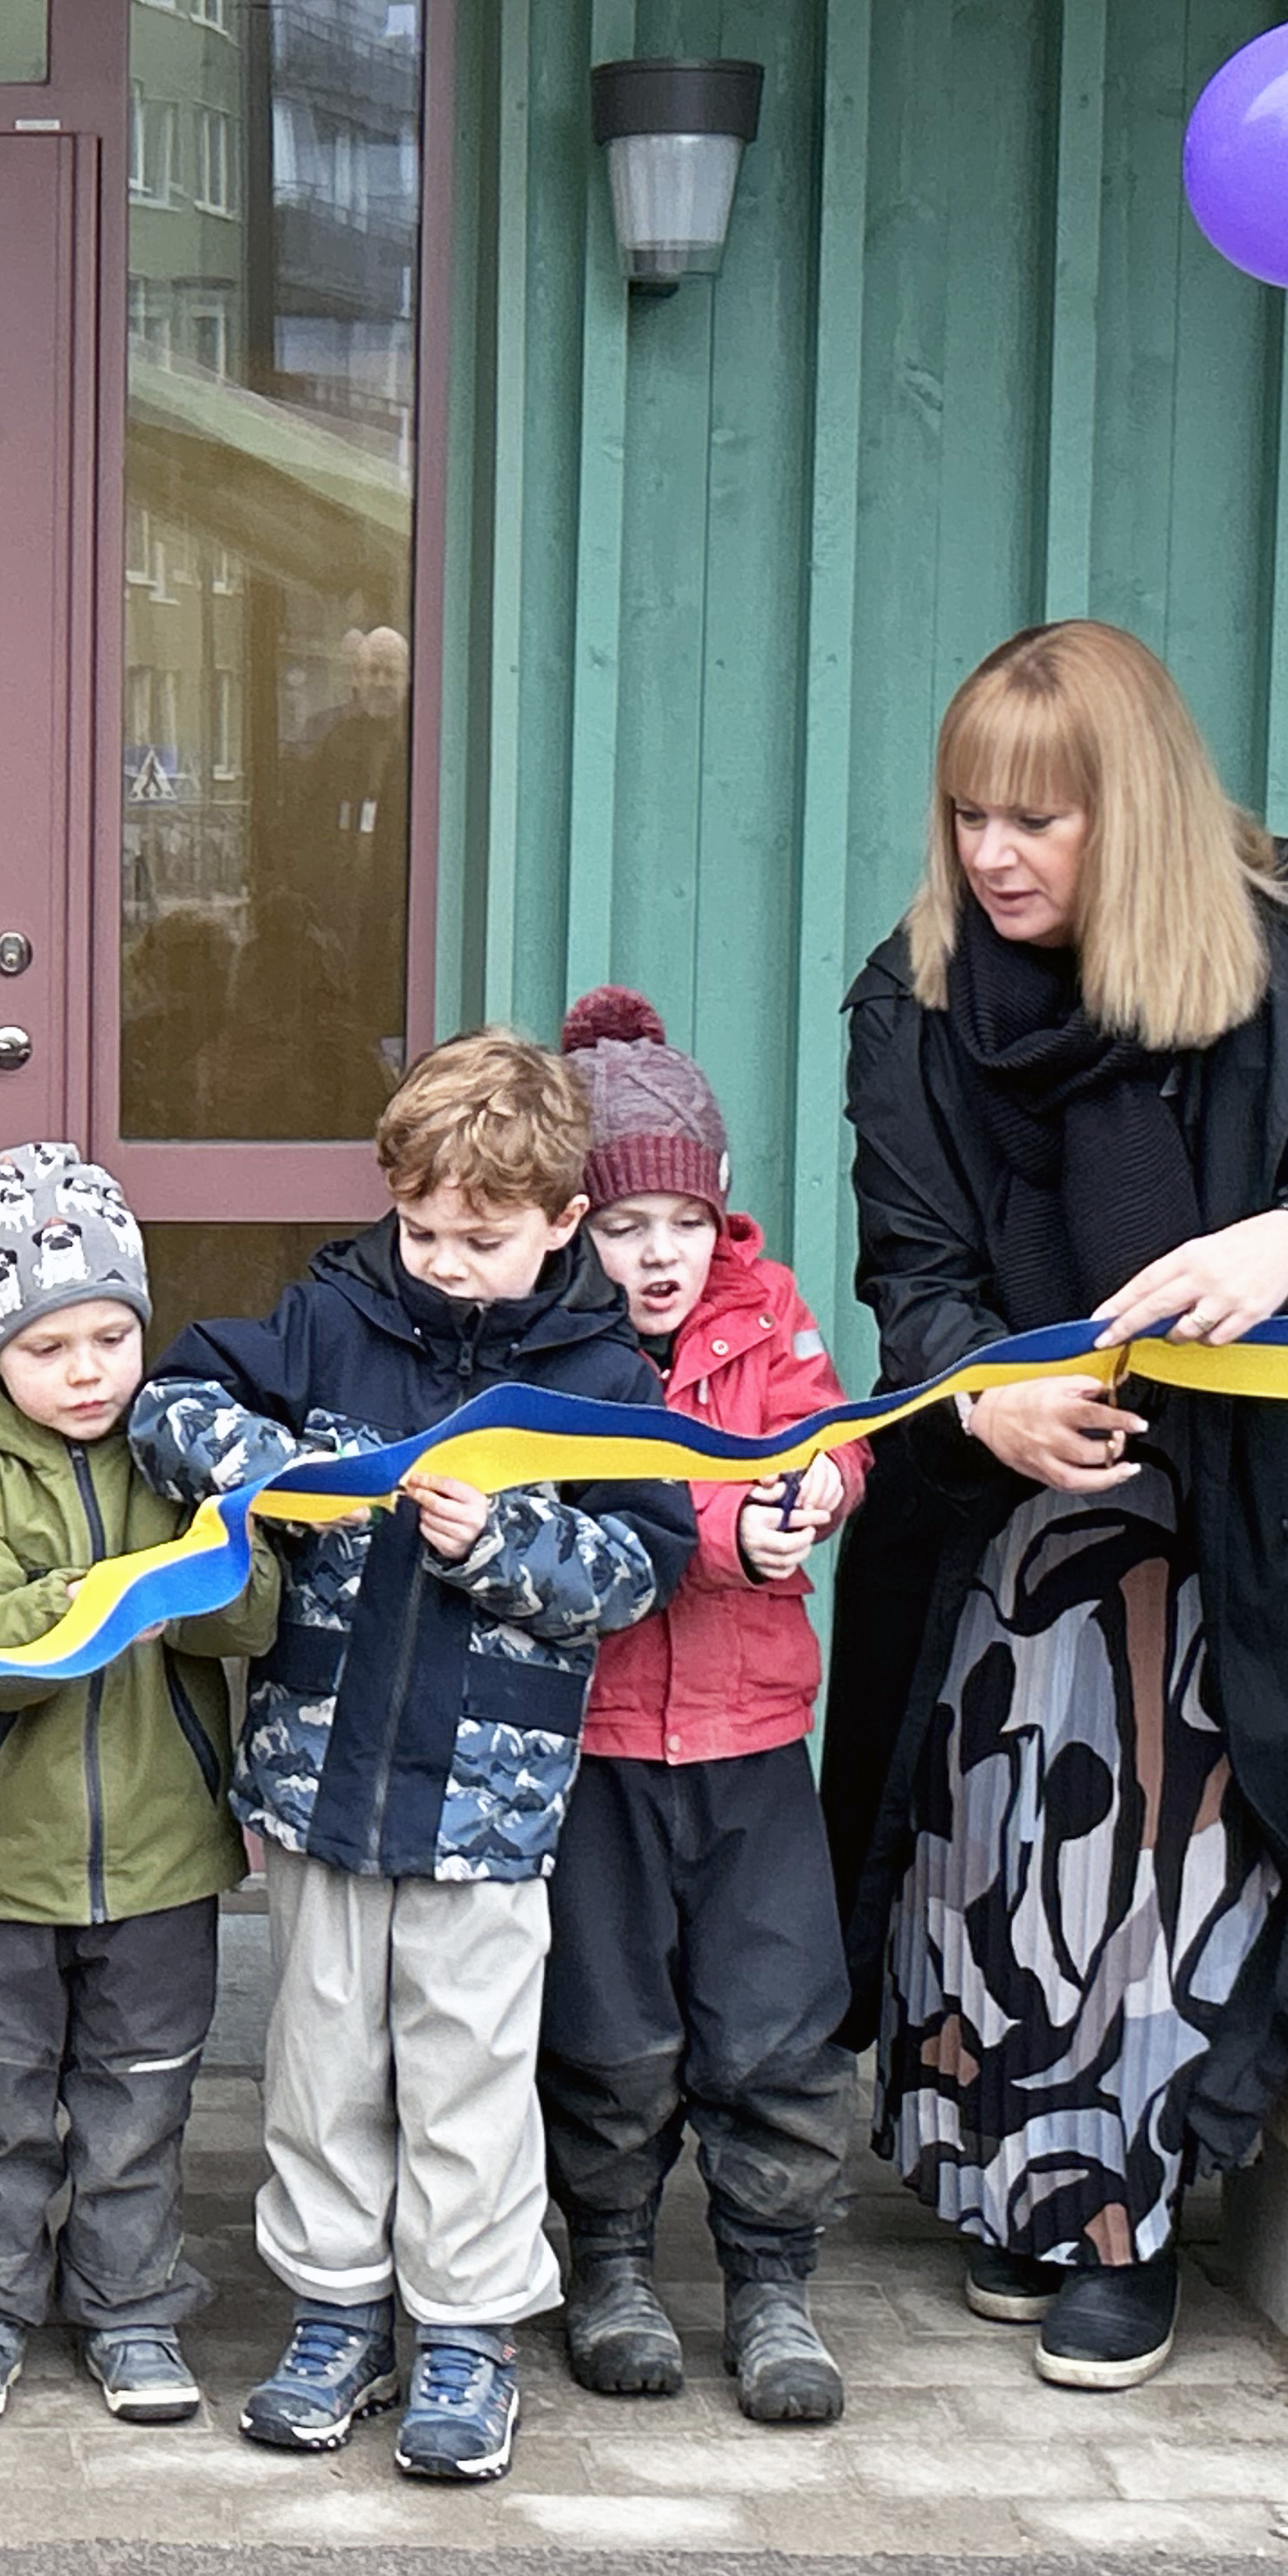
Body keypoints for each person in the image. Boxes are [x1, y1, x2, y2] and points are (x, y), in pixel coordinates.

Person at [825, 619, 1288, 2391]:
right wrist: (989, 1401)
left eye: (1037, 822)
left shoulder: (1281, 940)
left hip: (1247, 1501)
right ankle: (1019, 2177)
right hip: (1008, 1482)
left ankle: (1125, 2218)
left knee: (1156, 1829)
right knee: (1004, 1822)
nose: (993, 858)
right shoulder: (912, 993)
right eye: (969, 819)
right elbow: (914, 1275)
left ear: (1129, 811)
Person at [130, 1031, 699, 2486]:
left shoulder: (602, 1378)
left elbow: (643, 1563)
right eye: (424, 1227)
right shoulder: (331, 1315)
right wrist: (250, 1463)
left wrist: (504, 1542)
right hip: (321, 1787)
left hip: (487, 1814)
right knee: (323, 2063)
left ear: (564, 1224)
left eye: (483, 1238)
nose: (445, 1260)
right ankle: (332, 2316)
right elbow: (176, 1399)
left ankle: (465, 2333)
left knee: (466, 2072)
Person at [0, 1144, 283, 2428]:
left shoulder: (177, 1465)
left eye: (110, 1337)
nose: (85, 1372)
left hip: (167, 1852)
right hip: (4, 1861)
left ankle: (129, 2304)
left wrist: (208, 1581)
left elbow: (257, 1610)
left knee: (142, 2089)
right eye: (48, 1345)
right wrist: (94, 1601)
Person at [541, 988, 871, 2427]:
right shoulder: (558, 1348)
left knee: (775, 2021)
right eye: (622, 1228)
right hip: (604, 1741)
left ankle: (771, 2278)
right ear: (577, 1227)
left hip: (750, 1740)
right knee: (611, 2024)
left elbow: (831, 1439)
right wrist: (736, 1529)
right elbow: (609, 1501)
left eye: (677, 1223)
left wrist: (824, 1486)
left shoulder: (772, 1312)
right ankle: (609, 2262)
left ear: (719, 1204)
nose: (654, 1254)